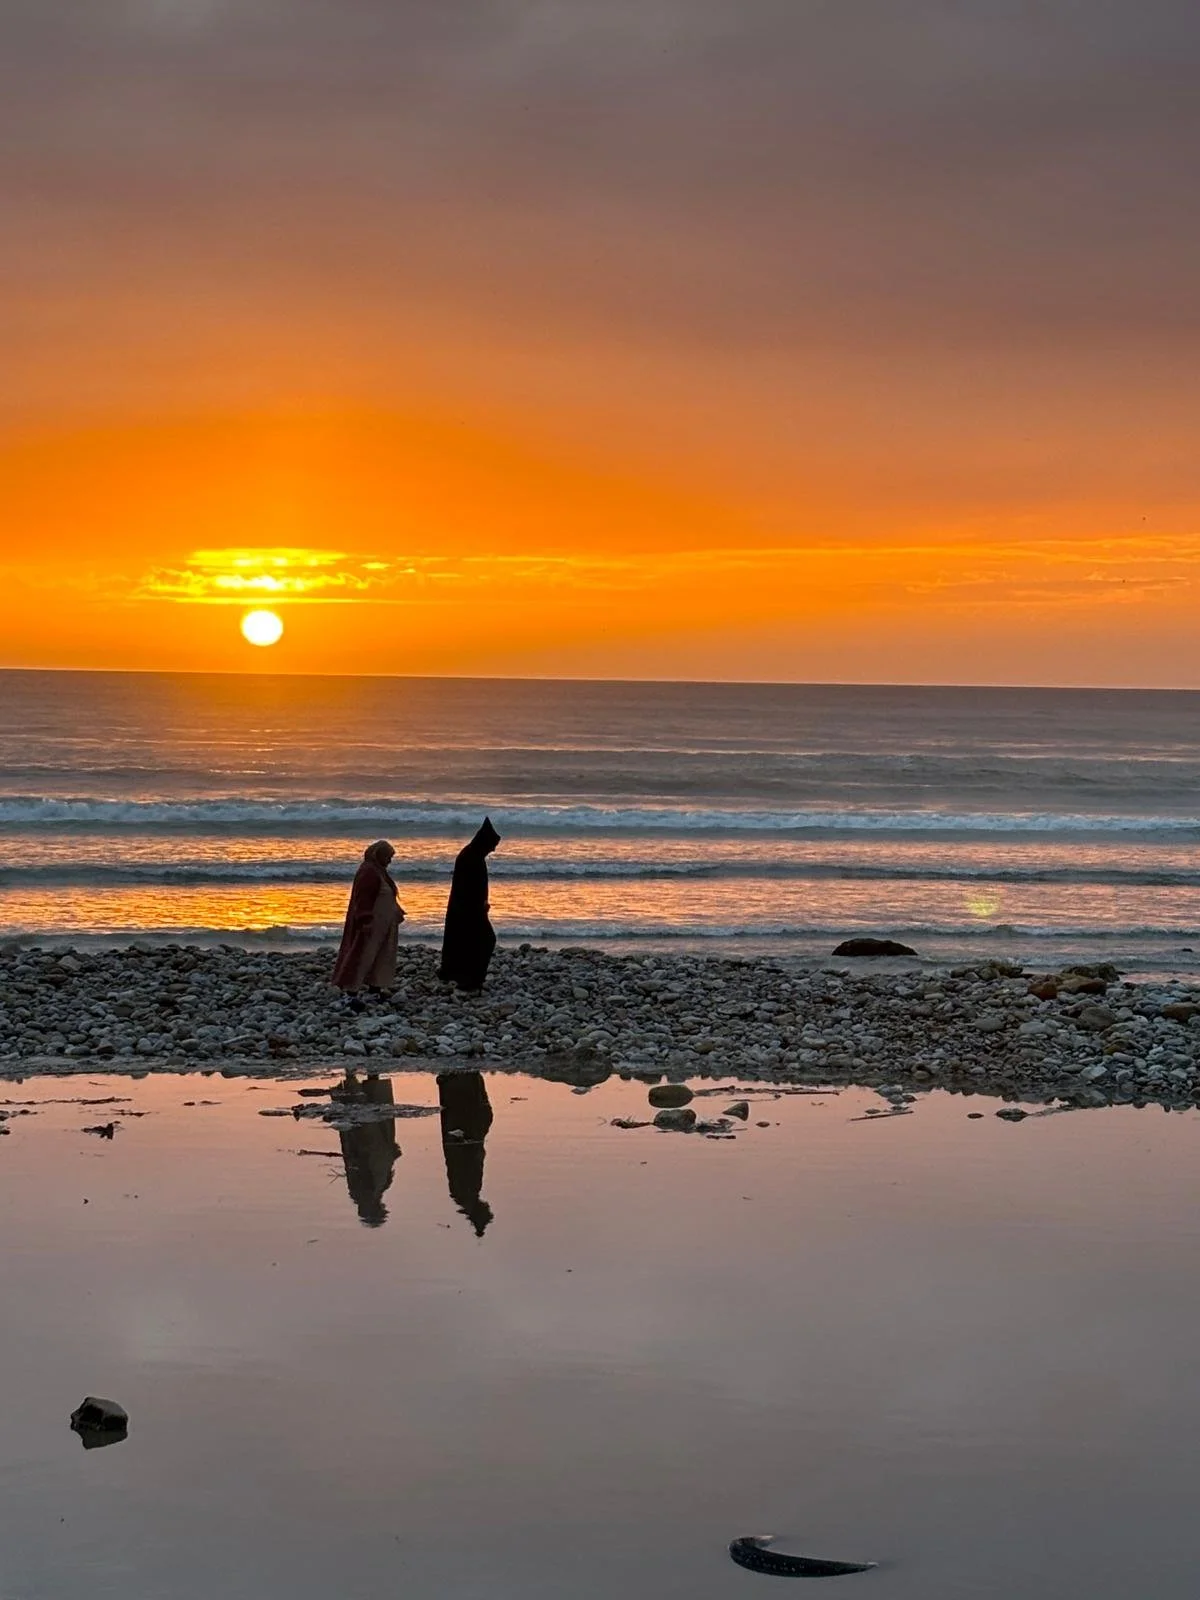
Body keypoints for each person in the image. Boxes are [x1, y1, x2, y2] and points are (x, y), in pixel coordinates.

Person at [332, 840, 405, 1007]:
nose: (389, 861)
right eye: (388, 857)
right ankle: (350, 993)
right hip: (371, 925)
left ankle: (374, 991)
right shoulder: (368, 872)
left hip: (383, 926)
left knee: (380, 957)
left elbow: (386, 895)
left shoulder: (379, 871)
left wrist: (396, 912)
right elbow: (362, 899)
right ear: (378, 855)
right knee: (361, 957)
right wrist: (365, 920)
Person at [438, 817, 500, 990]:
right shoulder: (471, 857)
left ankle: (460, 975)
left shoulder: (472, 855)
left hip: (468, 910)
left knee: (466, 943)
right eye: (492, 845)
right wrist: (480, 907)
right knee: (485, 941)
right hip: (470, 912)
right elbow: (468, 888)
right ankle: (471, 980)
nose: (493, 849)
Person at [437, 1070, 494, 1236]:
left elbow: (471, 1161)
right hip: (462, 1132)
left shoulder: (465, 1194)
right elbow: (472, 1162)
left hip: (460, 1135)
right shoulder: (466, 1194)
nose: (488, 1205)